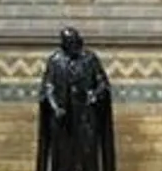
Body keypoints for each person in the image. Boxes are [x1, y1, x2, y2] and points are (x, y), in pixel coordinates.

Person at [35, 26, 116, 171]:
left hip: (85, 118)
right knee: (63, 158)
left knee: (87, 156)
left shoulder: (90, 59)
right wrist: (55, 107)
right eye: (69, 43)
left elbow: (103, 84)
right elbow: (48, 88)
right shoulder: (55, 61)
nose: (73, 46)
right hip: (64, 120)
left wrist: (94, 95)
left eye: (74, 42)